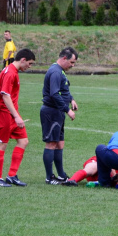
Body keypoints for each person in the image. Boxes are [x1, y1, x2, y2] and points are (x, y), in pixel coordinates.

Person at [0, 49, 36, 187]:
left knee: (23, 141)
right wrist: (16, 116)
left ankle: (12, 175)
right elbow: (5, 95)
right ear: (23, 60)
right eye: (30, 63)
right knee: (2, 144)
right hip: (4, 113)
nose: (30, 66)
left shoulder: (13, 71)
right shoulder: (10, 73)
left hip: (12, 113)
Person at [40, 47, 79, 185]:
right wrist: (67, 110)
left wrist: (71, 99)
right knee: (51, 143)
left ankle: (61, 175)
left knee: (59, 143)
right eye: (72, 62)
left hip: (57, 112)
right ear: (64, 58)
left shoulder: (60, 71)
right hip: (51, 111)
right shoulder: (55, 72)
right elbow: (54, 94)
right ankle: (49, 177)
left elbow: (64, 89)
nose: (72, 66)